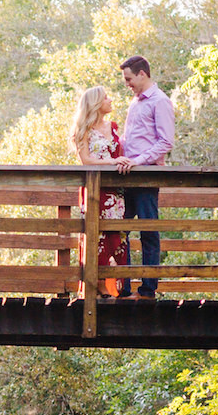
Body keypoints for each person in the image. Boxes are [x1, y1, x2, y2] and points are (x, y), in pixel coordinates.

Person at [114, 55, 175, 298]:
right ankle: (124, 287)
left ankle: (148, 289)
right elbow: (130, 141)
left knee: (148, 230)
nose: (127, 83)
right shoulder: (135, 103)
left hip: (146, 175)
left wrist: (138, 161)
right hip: (126, 176)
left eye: (129, 79)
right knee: (120, 230)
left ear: (142, 74)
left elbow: (166, 142)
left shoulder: (160, 102)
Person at [70, 86, 128, 297]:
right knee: (98, 235)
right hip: (96, 191)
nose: (110, 100)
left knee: (116, 235)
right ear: (96, 103)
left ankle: (116, 288)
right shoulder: (83, 129)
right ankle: (98, 286)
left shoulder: (113, 127)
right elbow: (86, 160)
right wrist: (113, 161)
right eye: (106, 97)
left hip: (115, 191)